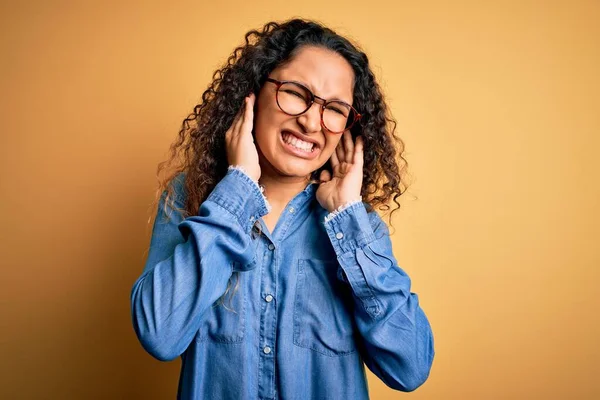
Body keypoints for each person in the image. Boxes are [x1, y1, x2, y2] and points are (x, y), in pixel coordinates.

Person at [130, 18, 435, 400]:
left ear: (347, 129)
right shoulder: (188, 196)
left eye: (335, 109)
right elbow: (160, 333)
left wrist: (349, 220)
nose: (311, 121)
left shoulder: (358, 227)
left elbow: (410, 368)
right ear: (254, 93)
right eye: (295, 93)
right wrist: (238, 187)